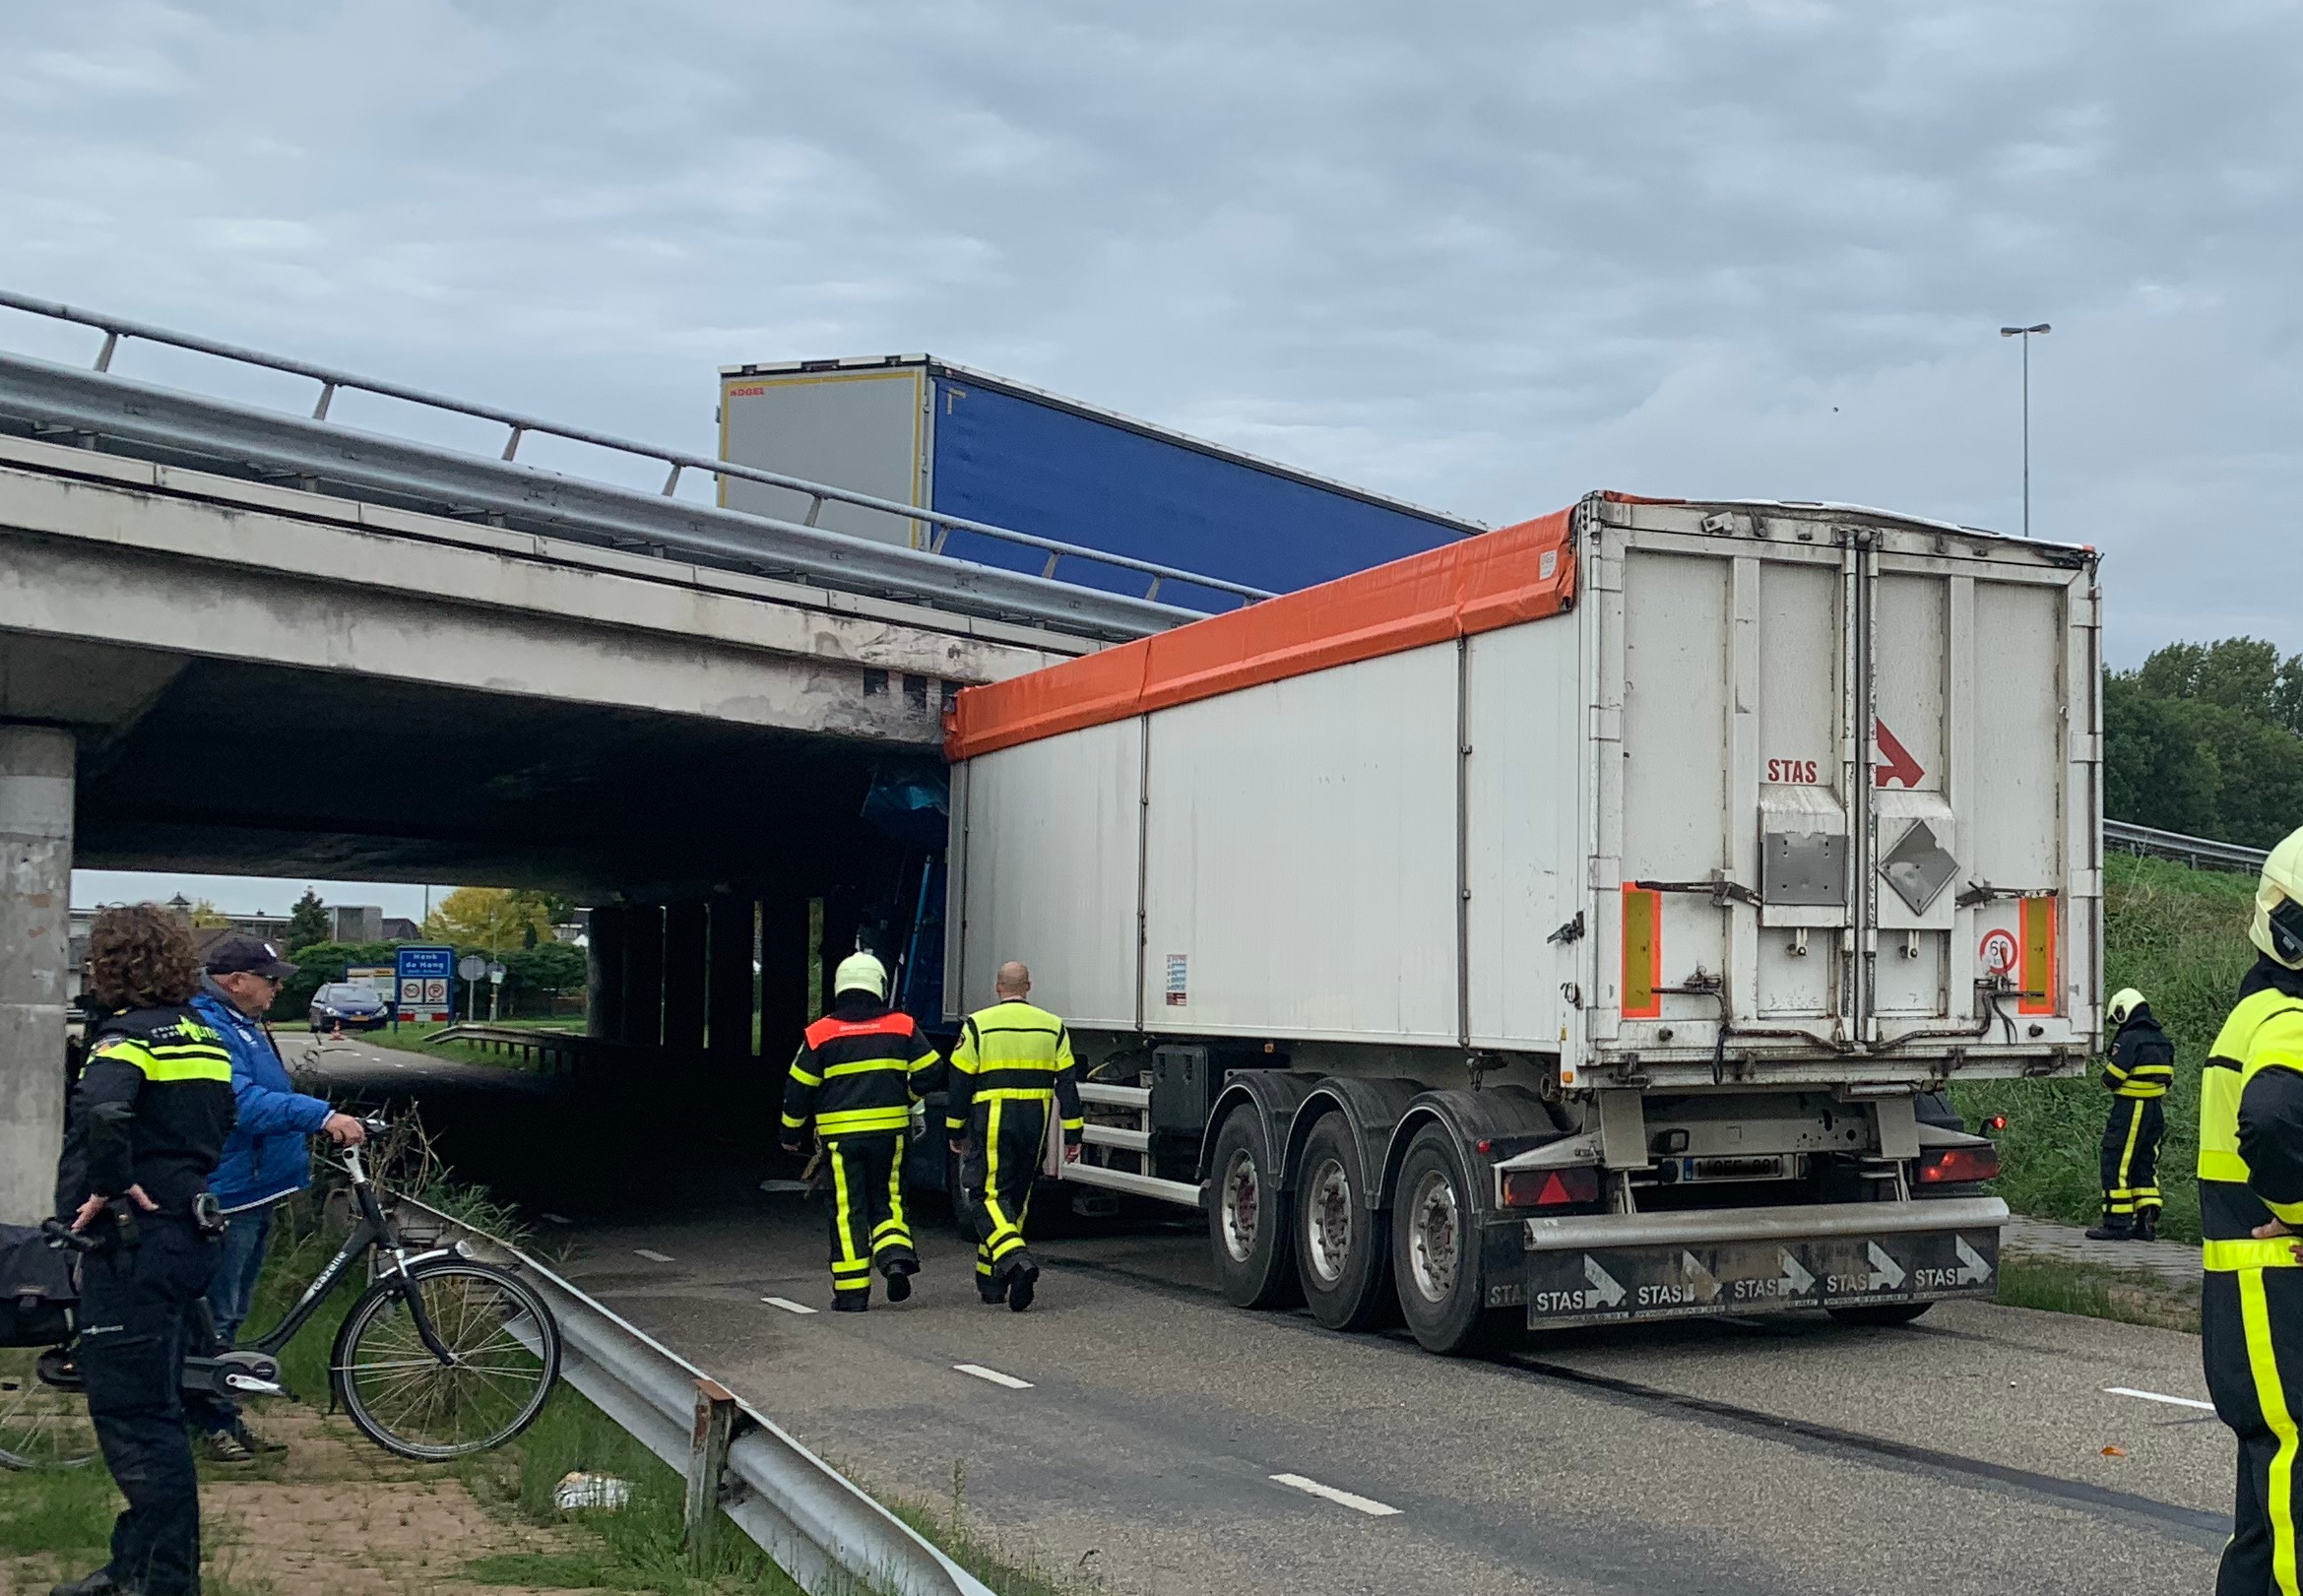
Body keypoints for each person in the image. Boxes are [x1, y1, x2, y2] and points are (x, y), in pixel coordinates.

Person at [51, 905, 237, 1596]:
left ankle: (163, 1581)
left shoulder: (124, 1037)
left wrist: (108, 1181)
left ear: (111, 963)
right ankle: (134, 1564)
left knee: (135, 1417)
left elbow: (102, 1110)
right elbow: (224, 1118)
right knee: (156, 1405)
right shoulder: (202, 1033)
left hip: (135, 1241)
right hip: (190, 1230)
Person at [186, 935, 366, 1461]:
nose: (278, 986)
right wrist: (321, 1116)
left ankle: (222, 1416)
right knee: (219, 1316)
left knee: (234, 1312)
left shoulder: (241, 1022)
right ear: (235, 980)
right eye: (269, 977)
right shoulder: (211, 1025)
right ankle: (208, 1426)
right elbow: (237, 1102)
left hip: (257, 1185)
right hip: (231, 1190)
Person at [2199, 821, 2303, 1595]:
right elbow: (2271, 1120)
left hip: (2257, 1286)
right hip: (2275, 1284)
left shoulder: (2262, 1007)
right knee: (2291, 1480)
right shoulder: (2286, 1018)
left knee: (2268, 1500)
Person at [780, 952, 940, 1311]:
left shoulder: (819, 1033)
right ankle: (895, 1258)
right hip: (890, 1135)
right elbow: (932, 1070)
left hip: (841, 1141)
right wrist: (906, 1094)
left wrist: (790, 1135)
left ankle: (852, 1293)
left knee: (848, 1209)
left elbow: (798, 1090)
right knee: (889, 1200)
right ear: (879, 985)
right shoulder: (901, 1026)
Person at [946, 961, 1082, 1312]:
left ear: (997, 987)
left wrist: (954, 1129)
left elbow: (960, 1080)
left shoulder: (978, 1025)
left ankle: (1015, 1261)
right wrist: (1073, 1132)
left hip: (993, 1116)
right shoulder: (1053, 1027)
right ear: (1029, 986)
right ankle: (992, 1284)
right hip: (1035, 1120)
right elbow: (1067, 1084)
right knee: (1014, 1203)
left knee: (985, 1196)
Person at [2085, 987, 2175, 1242]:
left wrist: (2107, 1075)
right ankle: (2146, 1223)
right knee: (2145, 1163)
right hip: (2155, 1110)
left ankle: (2116, 1223)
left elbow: (2112, 1078)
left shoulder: (2129, 1039)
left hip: (2130, 1109)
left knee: (2116, 1161)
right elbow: (2168, 1079)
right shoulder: (2162, 1039)